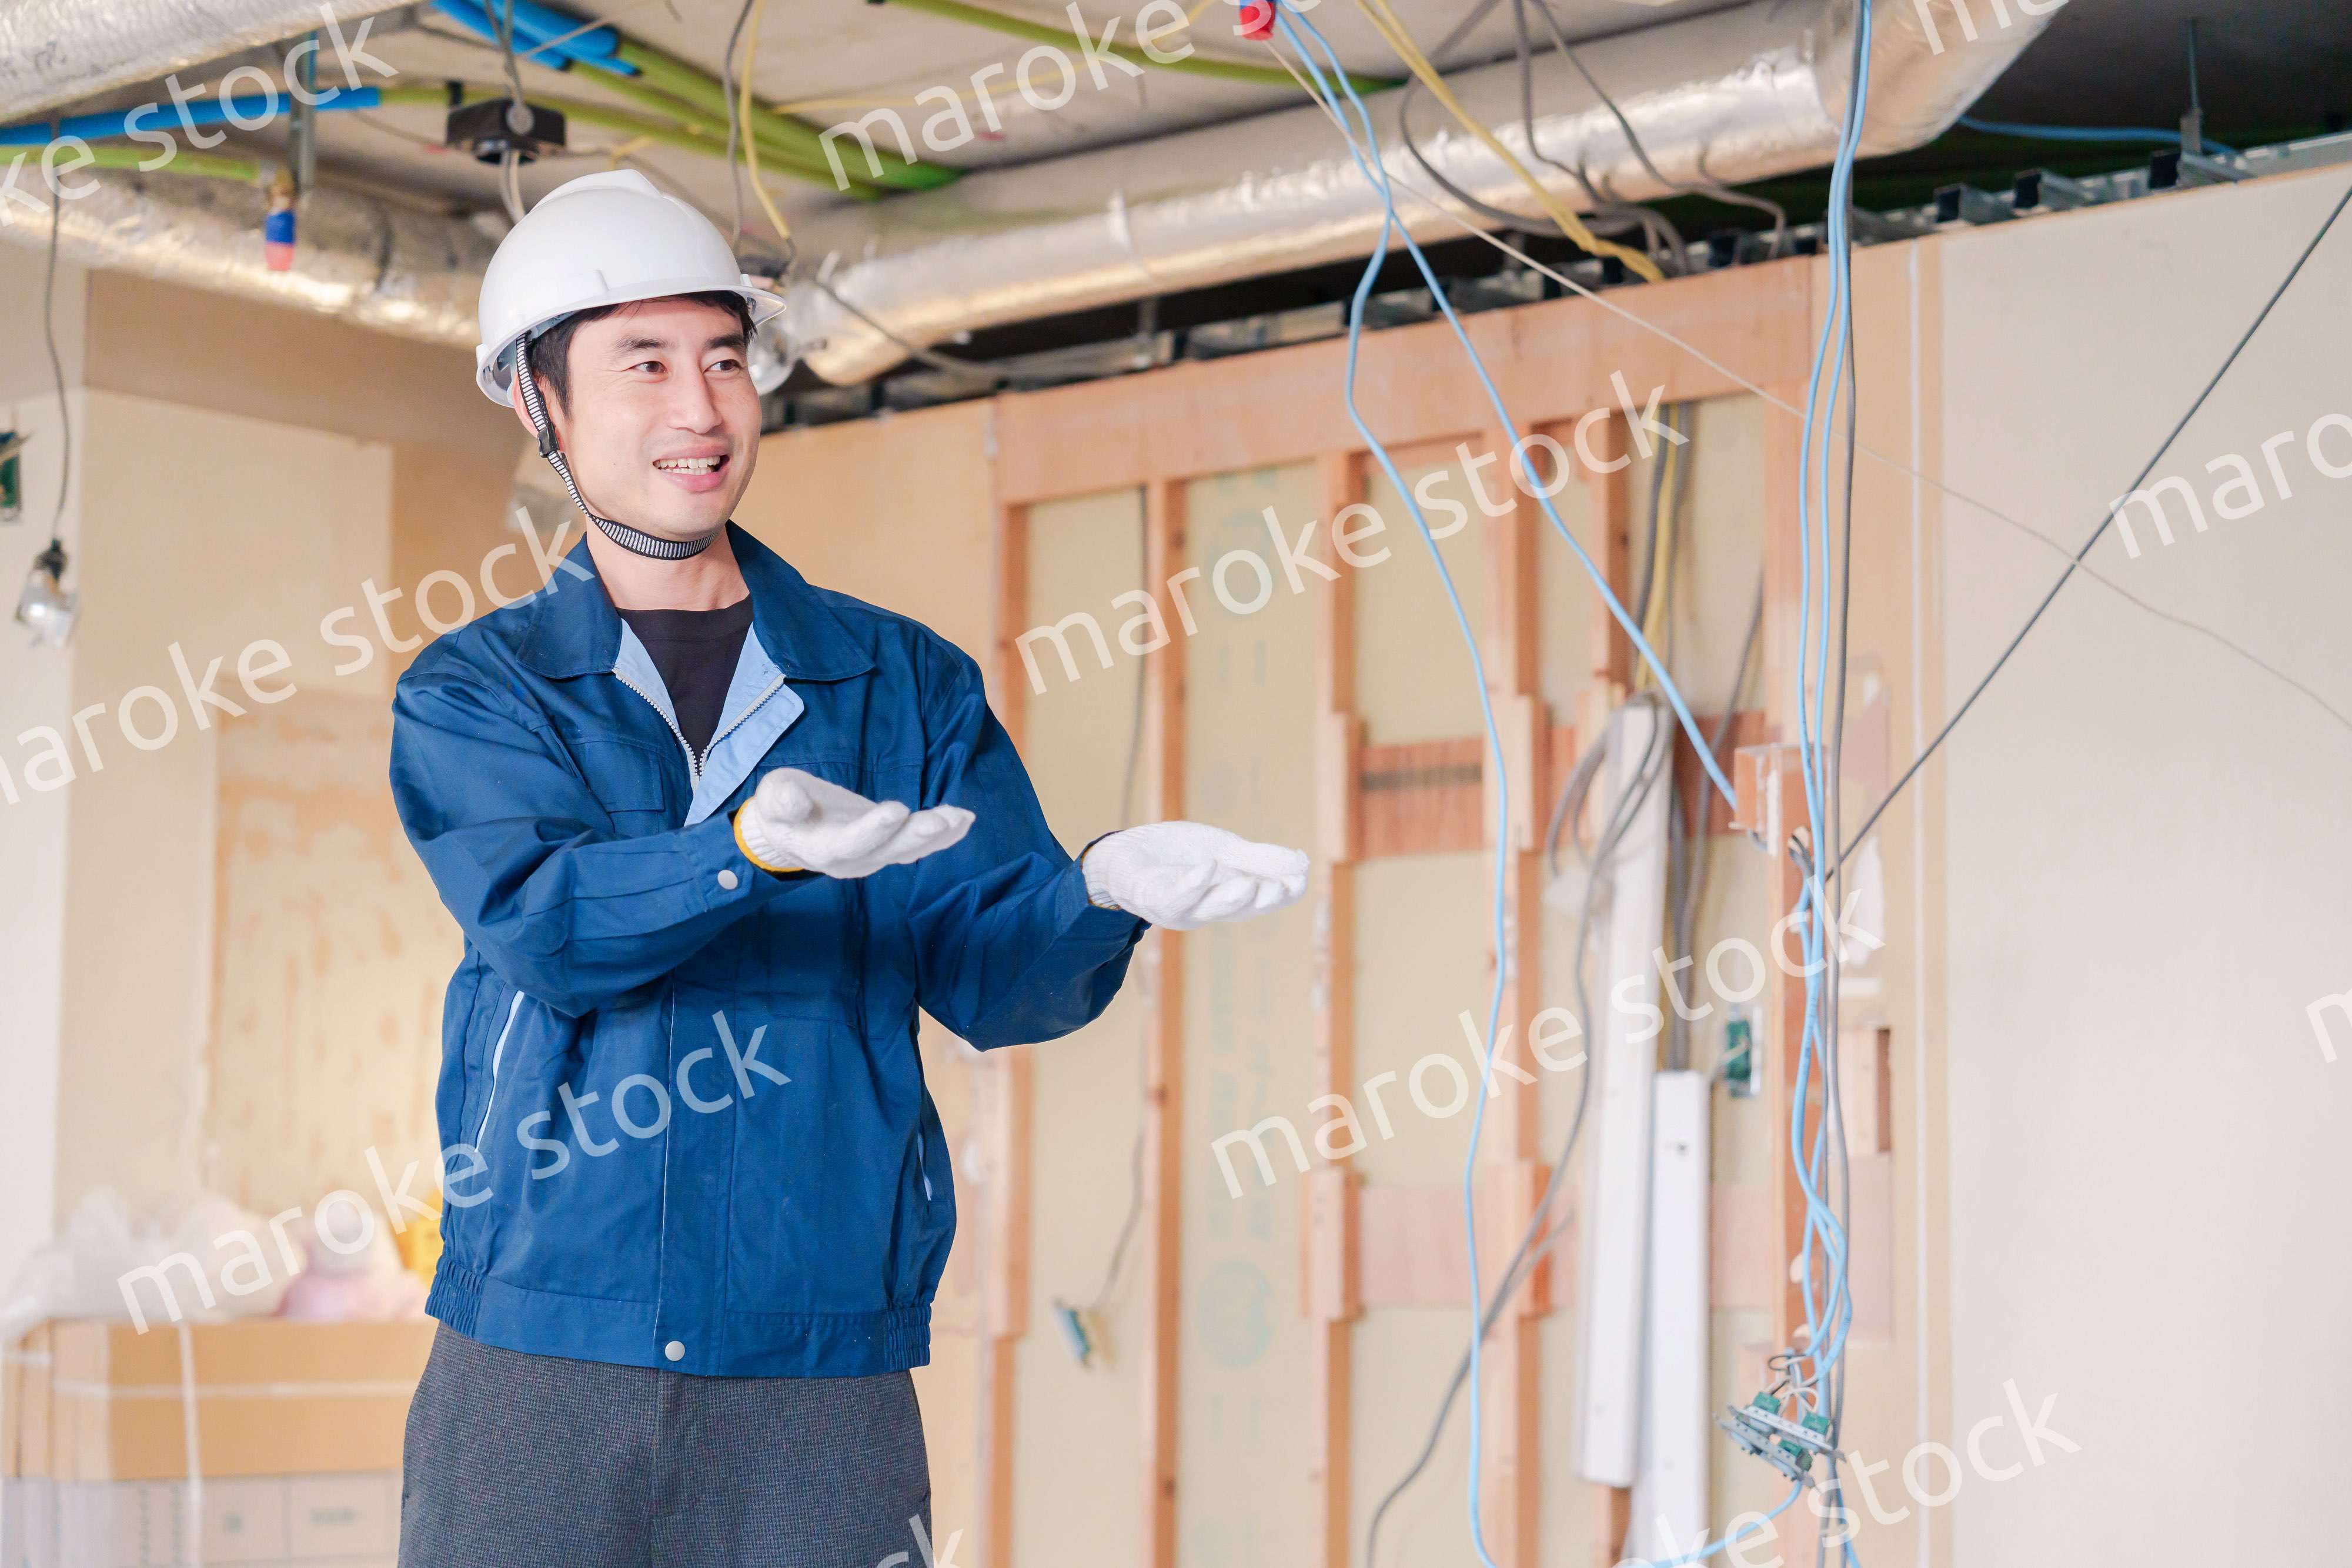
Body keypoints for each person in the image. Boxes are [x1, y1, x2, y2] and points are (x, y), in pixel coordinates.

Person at [389, 170, 1307, 1567]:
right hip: (541, 1351)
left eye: (722, 359)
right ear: (537, 399)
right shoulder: (482, 691)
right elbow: (546, 926)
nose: (699, 409)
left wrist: (1098, 886)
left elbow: (994, 977)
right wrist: (741, 851)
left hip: (819, 1367)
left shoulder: (897, 679)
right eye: (643, 365)